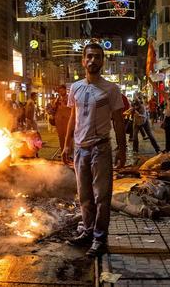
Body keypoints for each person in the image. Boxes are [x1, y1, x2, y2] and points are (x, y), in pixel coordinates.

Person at [61, 43, 126, 257]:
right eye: (89, 57)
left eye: (97, 57)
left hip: (101, 149)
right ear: (83, 60)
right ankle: (87, 232)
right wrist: (67, 144)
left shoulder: (111, 89)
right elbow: (74, 116)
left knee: (102, 197)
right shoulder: (76, 88)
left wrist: (122, 149)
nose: (93, 61)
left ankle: (100, 239)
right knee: (84, 196)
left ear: (102, 61)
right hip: (80, 149)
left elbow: (118, 120)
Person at [54, 85, 71, 151]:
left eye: (62, 91)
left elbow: (72, 107)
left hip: (67, 120)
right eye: (59, 91)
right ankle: (62, 151)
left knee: (68, 136)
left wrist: (65, 105)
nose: (61, 92)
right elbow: (54, 108)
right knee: (61, 137)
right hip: (59, 120)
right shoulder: (58, 99)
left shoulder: (69, 98)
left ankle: (68, 152)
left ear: (65, 90)